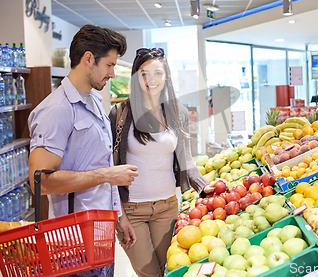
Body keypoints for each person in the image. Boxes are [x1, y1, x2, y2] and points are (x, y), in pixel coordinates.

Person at [28, 24, 139, 277]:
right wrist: (106, 175)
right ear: (89, 58)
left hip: (100, 234)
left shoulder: (94, 102)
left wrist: (118, 217)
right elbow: (39, 182)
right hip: (72, 243)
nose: (112, 73)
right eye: (109, 65)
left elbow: (99, 164)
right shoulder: (56, 110)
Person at [109, 48, 210, 277]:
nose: (151, 80)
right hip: (132, 210)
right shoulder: (120, 114)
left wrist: (205, 187)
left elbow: (186, 162)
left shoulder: (178, 113)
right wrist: (119, 215)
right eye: (143, 74)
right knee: (149, 274)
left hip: (167, 207)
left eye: (157, 73)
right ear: (135, 77)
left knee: (170, 270)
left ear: (166, 77)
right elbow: (109, 169)